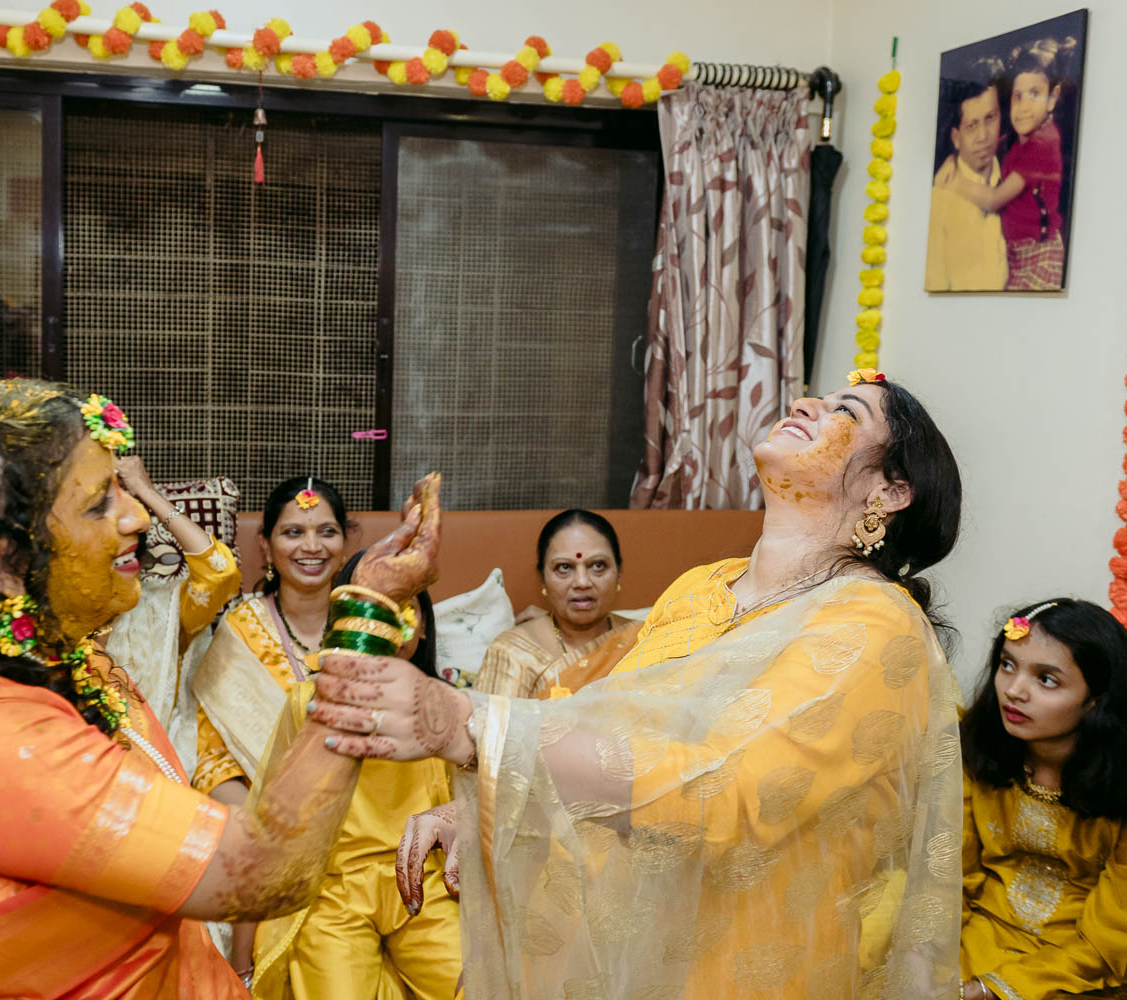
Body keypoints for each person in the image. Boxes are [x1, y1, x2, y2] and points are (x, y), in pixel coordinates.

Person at [314, 369, 969, 998]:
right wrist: (485, 797)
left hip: (744, 960)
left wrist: (473, 726)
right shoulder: (701, 588)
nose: (804, 406)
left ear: (892, 492)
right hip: (619, 940)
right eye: (816, 399)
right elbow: (613, 725)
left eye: (845, 412)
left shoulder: (876, 625)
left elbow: (728, 794)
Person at [0, 380, 443, 996]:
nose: (139, 517)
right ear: (1, 564)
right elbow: (263, 870)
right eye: (100, 503)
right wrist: (366, 616)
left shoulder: (75, 664)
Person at [248, 550, 458, 1000]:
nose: (386, 625)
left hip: (424, 883)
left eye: (403, 609)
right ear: (342, 622)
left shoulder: (448, 708)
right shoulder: (307, 703)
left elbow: (471, 803)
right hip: (333, 892)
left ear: (423, 625)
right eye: (371, 610)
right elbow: (271, 818)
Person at [189, 476, 353, 977]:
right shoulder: (242, 630)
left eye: (326, 531)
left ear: (346, 543)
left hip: (361, 812)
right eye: (293, 532)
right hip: (267, 818)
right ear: (265, 545)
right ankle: (246, 973)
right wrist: (261, 822)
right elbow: (214, 759)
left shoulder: (366, 626)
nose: (311, 547)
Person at [957, 599, 1127, 1000]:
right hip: (971, 940)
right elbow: (951, 879)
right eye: (1007, 664)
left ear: (1096, 699)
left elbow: (1110, 941)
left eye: (1046, 680)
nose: (1014, 691)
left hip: (1074, 972)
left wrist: (989, 990)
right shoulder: (974, 751)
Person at [101, 455, 241, 768]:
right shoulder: (53, 616)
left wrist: (147, 492)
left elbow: (219, 572)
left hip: (157, 771)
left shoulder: (165, 609)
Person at [938, 37, 1077, 290]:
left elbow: (993, 200)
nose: (1023, 107)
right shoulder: (1024, 137)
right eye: (1018, 96)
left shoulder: (1043, 144)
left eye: (1034, 94)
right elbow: (999, 145)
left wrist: (954, 181)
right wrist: (958, 156)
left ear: (1052, 98)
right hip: (1017, 254)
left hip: (1039, 255)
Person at [476, 509, 642, 699]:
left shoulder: (645, 640)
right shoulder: (514, 653)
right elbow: (494, 718)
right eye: (564, 567)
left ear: (619, 573)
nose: (582, 582)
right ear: (542, 579)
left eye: (598, 565)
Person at [925, 61, 1008, 292]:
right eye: (971, 126)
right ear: (956, 137)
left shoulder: (1014, 176)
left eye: (990, 118)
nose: (983, 136)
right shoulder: (939, 200)